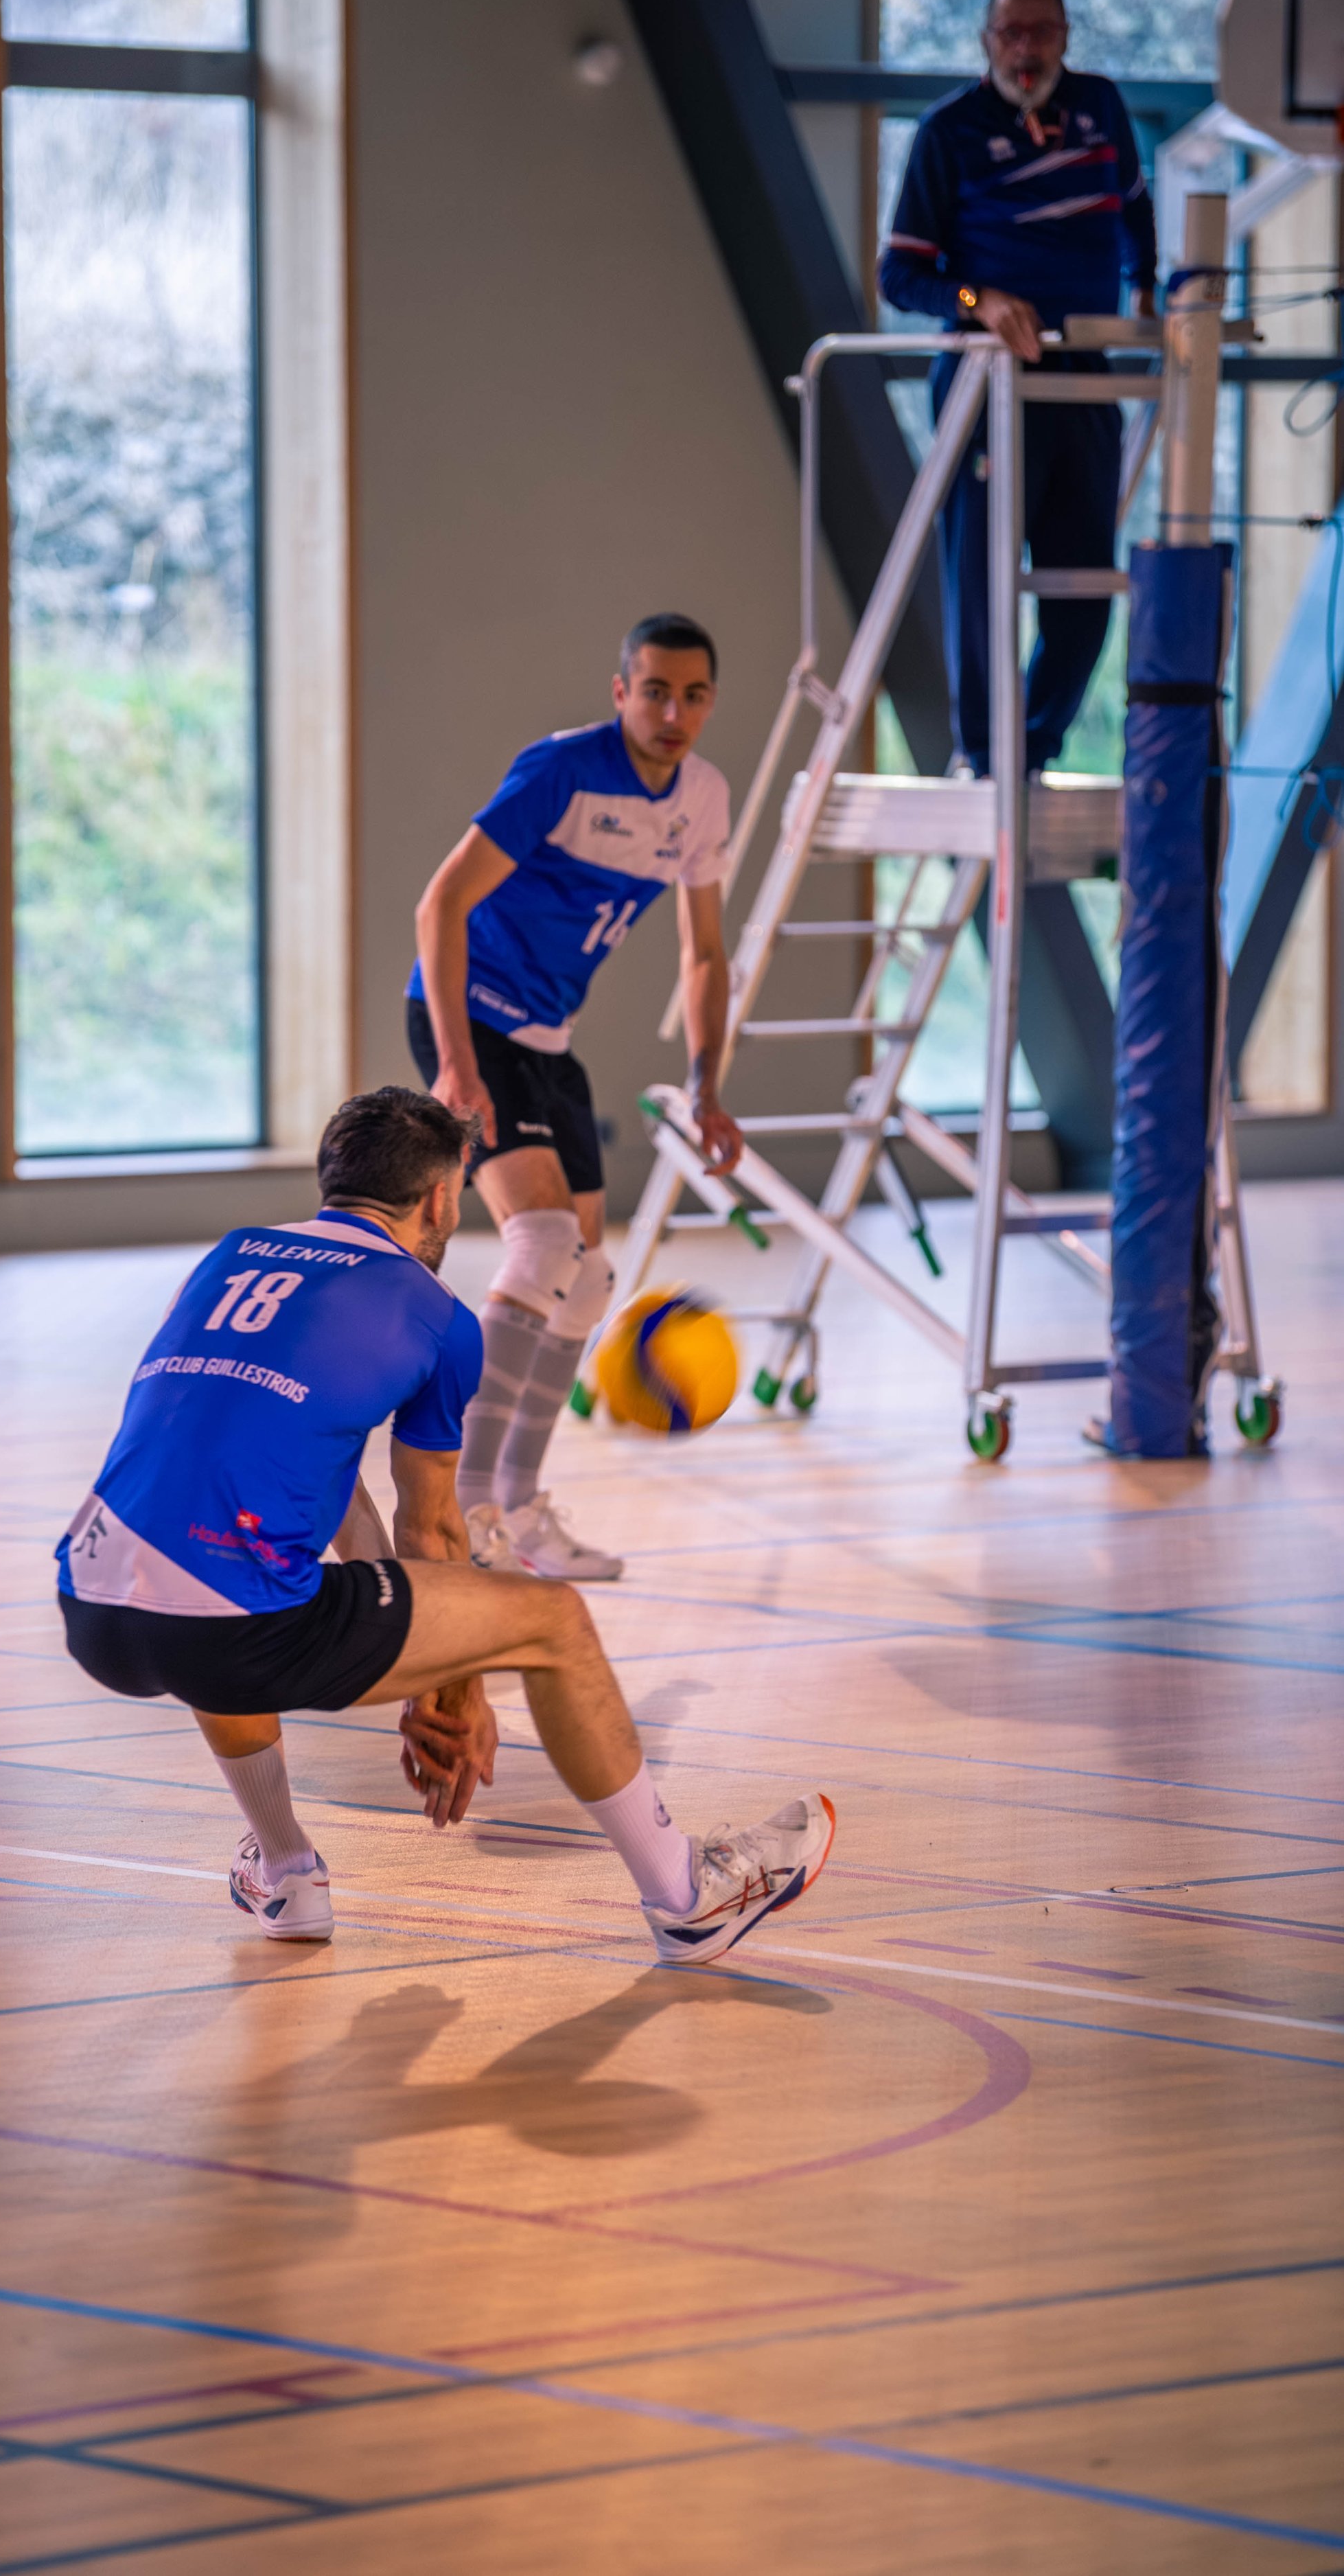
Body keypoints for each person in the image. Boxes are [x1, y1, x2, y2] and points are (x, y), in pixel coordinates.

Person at [56, 1084, 833, 1963]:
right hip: (235, 1631)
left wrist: (430, 1667)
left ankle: (288, 1871)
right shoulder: (434, 1316)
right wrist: (456, 1692)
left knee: (217, 1561)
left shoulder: (229, 1259)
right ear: (438, 1196)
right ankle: (688, 1898)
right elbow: (431, 1533)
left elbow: (306, 1469)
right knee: (555, 1623)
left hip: (93, 1604)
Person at [406, 612, 743, 1585]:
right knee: (545, 1244)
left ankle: (519, 1508)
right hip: (468, 1013)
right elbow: (441, 904)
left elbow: (706, 951)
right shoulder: (562, 771)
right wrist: (458, 1066)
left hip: (549, 1037)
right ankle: (463, 1509)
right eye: (654, 691)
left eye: (694, 695)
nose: (673, 712)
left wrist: (708, 1085)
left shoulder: (704, 798)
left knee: (588, 1278)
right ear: (620, 692)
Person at [878, 0, 1158, 776]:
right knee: (982, 580)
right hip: (987, 382)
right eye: (1009, 34)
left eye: (1039, 32)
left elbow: (1134, 207)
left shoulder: (1099, 105)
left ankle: (1028, 747)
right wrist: (980, 302)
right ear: (985, 42)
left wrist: (1145, 285)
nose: (1024, 49)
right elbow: (900, 274)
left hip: (1083, 376)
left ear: (1066, 37)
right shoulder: (949, 130)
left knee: (1084, 592)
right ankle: (981, 751)